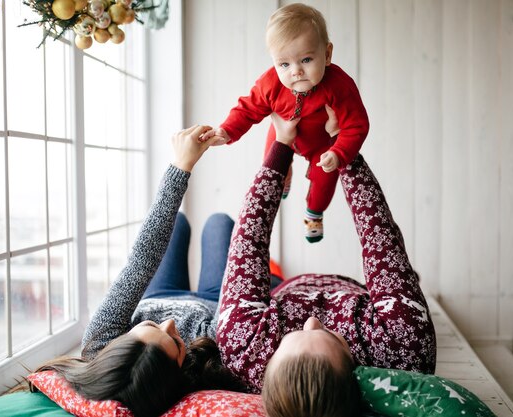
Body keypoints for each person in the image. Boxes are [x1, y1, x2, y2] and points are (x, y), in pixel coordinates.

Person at [216, 110, 436, 417]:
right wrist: (341, 146)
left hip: (284, 289)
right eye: (330, 335)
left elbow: (249, 238)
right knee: (403, 281)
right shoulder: (401, 348)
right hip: (357, 292)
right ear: (357, 372)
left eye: (292, 335)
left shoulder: (245, 351)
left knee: (223, 230)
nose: (312, 321)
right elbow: (379, 236)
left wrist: (280, 148)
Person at [29, 126, 245, 417]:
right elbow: (240, 281)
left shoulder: (99, 343)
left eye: (152, 326)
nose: (169, 323)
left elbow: (142, 260)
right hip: (211, 305)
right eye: (177, 343)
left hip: (161, 293)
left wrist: (181, 165)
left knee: (177, 223)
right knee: (218, 224)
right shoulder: (199, 371)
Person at [201, 3, 370, 243]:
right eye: (284, 64)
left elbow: (357, 125)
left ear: (328, 54)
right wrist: (227, 131)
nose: (296, 71)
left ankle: (314, 213)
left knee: (326, 180)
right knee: (271, 165)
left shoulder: (339, 86)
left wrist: (339, 152)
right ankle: (285, 173)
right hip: (282, 135)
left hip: (321, 144)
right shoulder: (270, 84)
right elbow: (247, 109)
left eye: (307, 59)